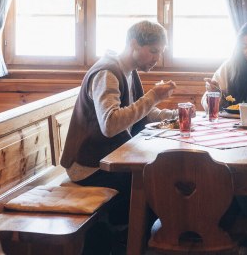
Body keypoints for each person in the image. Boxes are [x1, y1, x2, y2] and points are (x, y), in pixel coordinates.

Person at [60, 20, 178, 253]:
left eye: (160, 53)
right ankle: (127, 241)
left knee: (160, 178)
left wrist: (172, 114)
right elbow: (111, 124)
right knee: (156, 184)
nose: (157, 59)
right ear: (134, 44)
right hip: (87, 167)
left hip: (108, 158)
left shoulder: (129, 71)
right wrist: (153, 96)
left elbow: (138, 112)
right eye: (153, 51)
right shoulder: (108, 73)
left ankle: (128, 238)